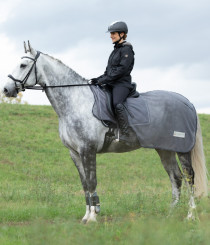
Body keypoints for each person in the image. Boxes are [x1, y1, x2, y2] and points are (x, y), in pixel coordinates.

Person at [90, 21, 135, 141]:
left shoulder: (127, 50)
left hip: (122, 84)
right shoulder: (115, 51)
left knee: (117, 104)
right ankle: (110, 130)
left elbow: (121, 70)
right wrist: (97, 80)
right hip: (111, 83)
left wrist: (104, 80)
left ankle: (126, 134)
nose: (111, 36)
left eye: (113, 33)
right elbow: (108, 72)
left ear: (122, 34)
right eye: (111, 33)